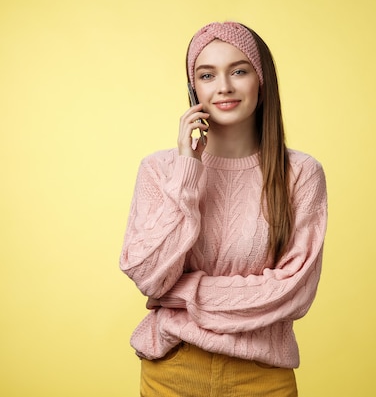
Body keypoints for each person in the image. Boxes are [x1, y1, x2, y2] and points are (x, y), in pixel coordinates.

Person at [119, 21, 328, 397]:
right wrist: (187, 173)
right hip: (173, 370)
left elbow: (292, 292)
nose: (224, 87)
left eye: (239, 71)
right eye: (207, 74)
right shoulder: (160, 169)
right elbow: (149, 276)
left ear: (261, 82)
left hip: (262, 376)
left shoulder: (300, 173)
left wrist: (182, 293)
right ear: (192, 87)